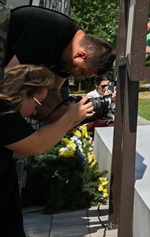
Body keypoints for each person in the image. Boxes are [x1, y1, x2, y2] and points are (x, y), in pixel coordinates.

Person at [0, 65, 95, 236]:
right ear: (23, 92)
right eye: (38, 102)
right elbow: (37, 145)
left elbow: (21, 150)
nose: (36, 110)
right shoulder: (3, 112)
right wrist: (70, 117)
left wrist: (63, 126)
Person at [3, 5, 114, 122]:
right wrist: (54, 118)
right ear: (81, 55)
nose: (77, 76)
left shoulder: (69, 51)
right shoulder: (48, 34)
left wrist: (63, 117)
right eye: (81, 71)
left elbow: (53, 89)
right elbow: (8, 88)